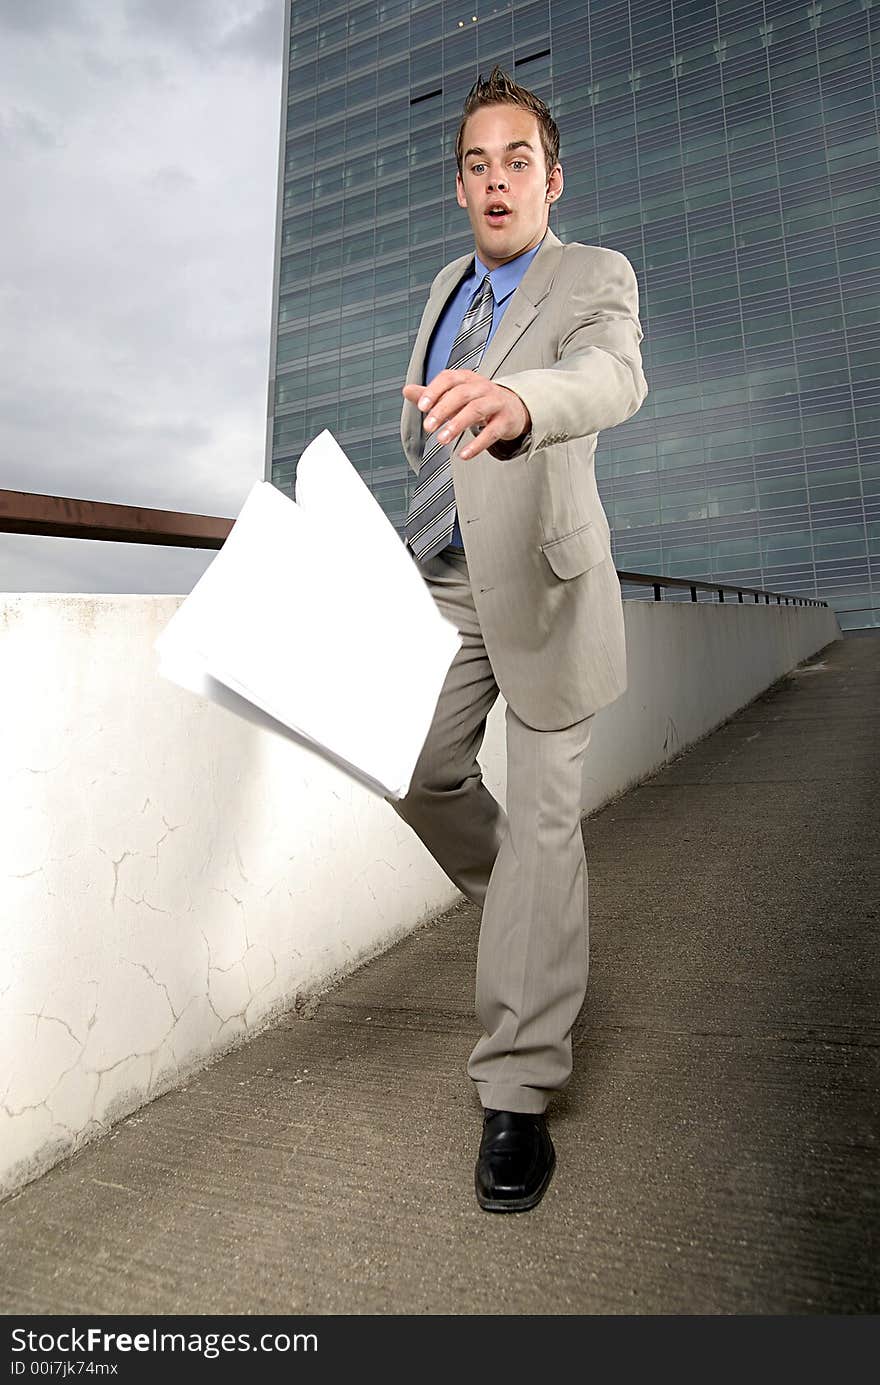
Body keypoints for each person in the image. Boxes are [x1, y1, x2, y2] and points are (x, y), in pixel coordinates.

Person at [386, 67, 648, 1212]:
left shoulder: (593, 275)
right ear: (459, 186)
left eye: (518, 161)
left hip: (544, 581)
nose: (498, 181)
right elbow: (420, 420)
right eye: (478, 164)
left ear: (554, 175)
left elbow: (611, 376)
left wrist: (522, 403)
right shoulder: (447, 278)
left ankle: (518, 1089)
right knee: (415, 766)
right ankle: (531, 920)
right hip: (447, 581)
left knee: (543, 824)